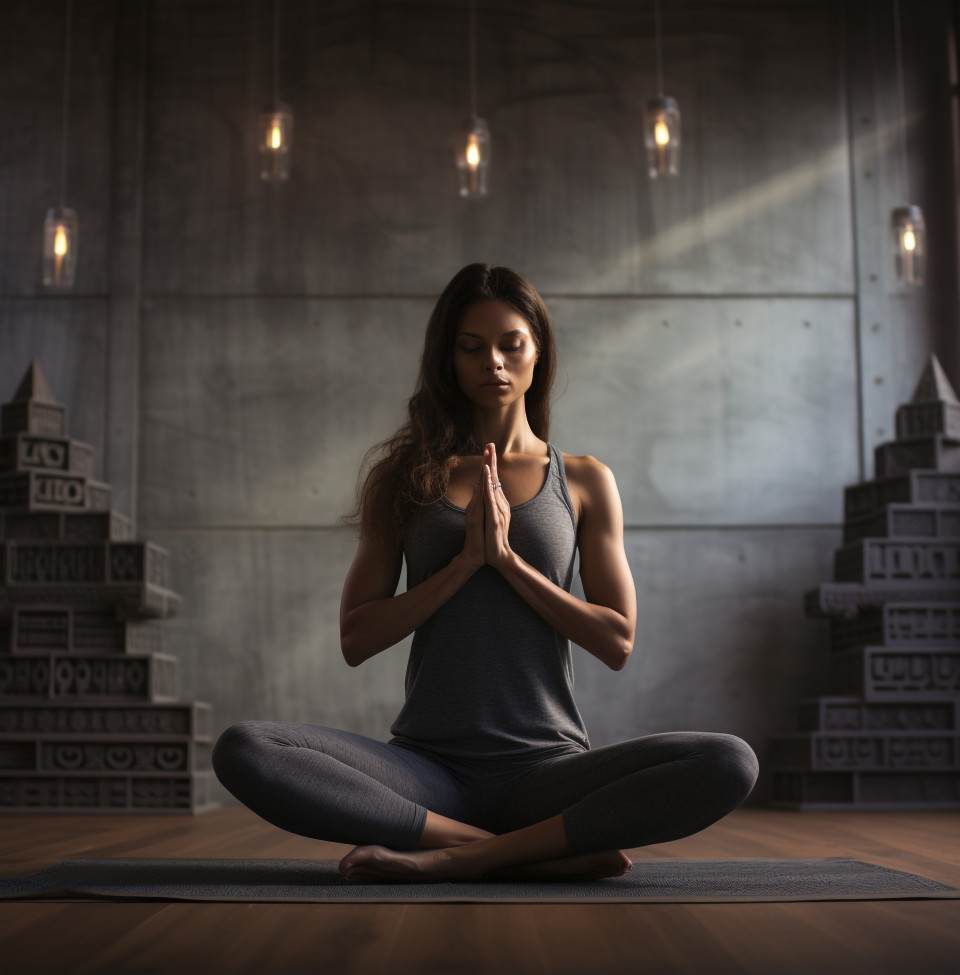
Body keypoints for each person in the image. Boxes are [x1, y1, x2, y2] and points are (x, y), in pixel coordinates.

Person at [212, 263, 759, 883]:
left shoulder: (583, 480)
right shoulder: (403, 480)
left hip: (546, 771)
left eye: (510, 345)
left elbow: (617, 640)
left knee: (727, 761)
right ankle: (525, 851)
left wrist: (508, 562)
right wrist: (464, 565)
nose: (492, 362)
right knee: (247, 749)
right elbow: (356, 638)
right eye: (471, 348)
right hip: (426, 772)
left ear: (538, 353)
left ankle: (456, 858)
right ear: (448, 359)